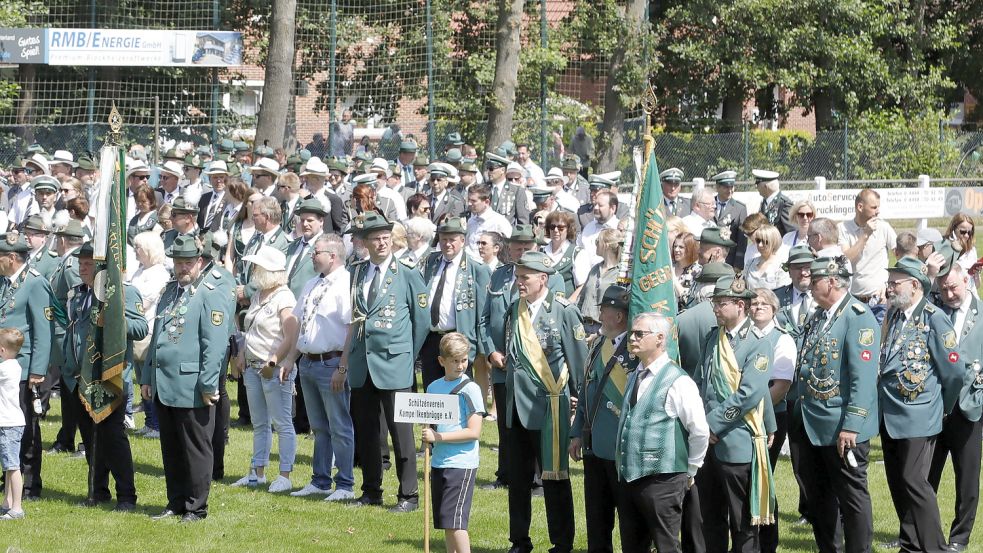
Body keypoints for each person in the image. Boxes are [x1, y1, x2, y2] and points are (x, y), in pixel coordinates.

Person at [140, 235, 235, 522]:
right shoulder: (170, 291)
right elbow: (156, 338)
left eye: (187, 263)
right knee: (171, 448)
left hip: (192, 384)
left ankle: (196, 506)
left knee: (195, 447)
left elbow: (215, 344)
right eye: (178, 262)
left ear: (200, 262)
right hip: (165, 382)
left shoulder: (209, 292)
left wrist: (208, 383)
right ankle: (176, 501)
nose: (182, 268)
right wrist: (147, 376)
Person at [790, 255, 879, 553]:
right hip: (811, 421)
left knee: (852, 497)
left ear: (831, 282)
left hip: (841, 427)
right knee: (818, 497)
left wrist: (852, 425)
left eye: (814, 280)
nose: (809, 285)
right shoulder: (819, 315)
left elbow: (863, 378)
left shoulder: (858, 316)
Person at [504, 251, 587, 553]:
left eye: (524, 277)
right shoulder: (514, 309)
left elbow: (579, 365)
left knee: (554, 479)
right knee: (517, 480)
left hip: (549, 407)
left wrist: (581, 414)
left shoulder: (564, 311)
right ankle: (519, 540)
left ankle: (562, 542)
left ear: (543, 278)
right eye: (518, 276)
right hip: (517, 409)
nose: (519, 282)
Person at [346, 212, 429, 512]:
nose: (381, 243)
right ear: (365, 242)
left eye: (385, 238)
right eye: (375, 239)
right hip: (362, 364)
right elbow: (355, 317)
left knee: (401, 433)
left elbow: (422, 322)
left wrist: (406, 353)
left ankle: (409, 494)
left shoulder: (407, 272)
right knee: (368, 432)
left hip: (395, 363)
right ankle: (371, 490)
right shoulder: (357, 272)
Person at [880, 256, 963, 553]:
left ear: (914, 285)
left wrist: (941, 406)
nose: (889, 288)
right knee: (898, 483)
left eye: (895, 282)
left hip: (920, 414)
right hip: (889, 413)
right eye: (889, 282)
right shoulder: (894, 317)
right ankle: (911, 544)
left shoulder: (934, 318)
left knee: (914, 481)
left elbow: (954, 372)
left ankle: (935, 547)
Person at [694, 275, 775, 553]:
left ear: (740, 305)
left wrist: (712, 425)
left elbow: (749, 393)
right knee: (710, 519)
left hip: (736, 442)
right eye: (714, 301)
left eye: (720, 302)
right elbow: (699, 384)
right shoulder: (710, 338)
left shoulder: (757, 343)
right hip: (707, 443)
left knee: (742, 523)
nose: (715, 308)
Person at [617, 311, 710, 553]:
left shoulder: (679, 381)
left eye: (639, 334)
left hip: (664, 480)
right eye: (631, 333)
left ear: (660, 339)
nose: (633, 338)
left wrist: (691, 468)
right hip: (630, 477)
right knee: (632, 546)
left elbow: (699, 430)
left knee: (666, 545)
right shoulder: (634, 375)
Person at [67, 243, 148, 512]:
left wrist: (115, 313)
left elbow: (140, 328)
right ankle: (97, 490)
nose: (83, 267)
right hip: (80, 376)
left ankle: (126, 495)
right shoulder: (78, 294)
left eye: (88, 263)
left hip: (110, 377)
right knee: (90, 437)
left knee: (113, 438)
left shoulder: (123, 292)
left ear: (102, 265)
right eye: (80, 263)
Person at [569, 285, 637, 552]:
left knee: (630, 523)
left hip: (622, 450)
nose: (600, 317)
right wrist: (576, 432)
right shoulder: (598, 346)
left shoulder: (635, 352)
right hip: (595, 446)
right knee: (597, 522)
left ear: (619, 316)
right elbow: (587, 391)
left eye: (604, 311)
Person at [289, 233, 356, 501]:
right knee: (319, 426)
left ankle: (345, 485)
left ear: (332, 255)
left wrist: (342, 367)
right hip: (309, 361)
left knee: (339, 425)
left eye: (316, 252)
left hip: (331, 361)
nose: (311, 256)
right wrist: (290, 359)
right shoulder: (312, 283)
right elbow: (301, 324)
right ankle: (320, 480)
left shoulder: (345, 284)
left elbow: (352, 328)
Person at [232, 246, 299, 493]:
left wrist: (273, 362)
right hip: (252, 366)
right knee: (260, 423)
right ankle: (257, 471)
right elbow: (249, 330)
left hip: (273, 369)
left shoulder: (285, 297)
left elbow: (291, 335)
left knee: (282, 423)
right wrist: (241, 355)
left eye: (259, 267)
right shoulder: (260, 294)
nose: (255, 271)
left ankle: (285, 474)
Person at [930, 257, 983, 552]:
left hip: (969, 406)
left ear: (966, 280)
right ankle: (919, 532)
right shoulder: (934, 311)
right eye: (944, 289)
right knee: (924, 477)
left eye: (953, 287)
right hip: (935, 406)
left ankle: (959, 539)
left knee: (967, 480)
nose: (949, 295)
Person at [0, 232, 57, 500]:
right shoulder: (6, 283)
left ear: (12, 258)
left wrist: (37, 370)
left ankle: (30, 482)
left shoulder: (35, 283)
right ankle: (10, 477)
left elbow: (43, 329)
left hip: (23, 370)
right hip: (5, 369)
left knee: (26, 428)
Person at [422, 332, 485, 553]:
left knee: (456, 522)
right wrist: (428, 430)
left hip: (461, 463)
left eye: (464, 360)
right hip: (439, 461)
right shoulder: (433, 388)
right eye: (455, 361)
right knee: (446, 523)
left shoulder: (471, 389)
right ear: (441, 361)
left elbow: (474, 431)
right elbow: (431, 422)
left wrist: (438, 437)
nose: (460, 366)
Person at [749, 287, 796, 553]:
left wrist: (757, 412)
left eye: (763, 303)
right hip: (744, 417)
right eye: (753, 303)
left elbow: (781, 385)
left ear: (774, 309)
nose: (757, 307)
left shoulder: (782, 339)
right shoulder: (743, 336)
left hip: (770, 418)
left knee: (764, 477)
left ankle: (767, 542)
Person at [128, 232, 170, 438]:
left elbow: (143, 303)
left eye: (139, 247)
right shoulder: (139, 271)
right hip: (137, 330)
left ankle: (156, 423)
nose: (136, 251)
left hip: (149, 329)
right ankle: (149, 420)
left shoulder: (159, 273)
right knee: (140, 378)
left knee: (150, 378)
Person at [838, 189, 896, 322]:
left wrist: (889, 284)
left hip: (878, 302)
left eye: (878, 207)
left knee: (879, 341)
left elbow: (901, 256)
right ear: (860, 207)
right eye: (874, 207)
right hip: (851, 301)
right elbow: (845, 260)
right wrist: (865, 235)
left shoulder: (884, 227)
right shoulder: (843, 228)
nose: (878, 211)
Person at [575, 228, 623, 335]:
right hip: (583, 326)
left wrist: (601, 333)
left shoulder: (620, 274)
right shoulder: (595, 269)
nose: (595, 244)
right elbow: (581, 299)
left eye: (597, 241)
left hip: (604, 329)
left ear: (605, 245)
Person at [0, 327, 25, 520]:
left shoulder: (5, 369)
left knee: (13, 467)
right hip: (11, 422)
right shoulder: (15, 365)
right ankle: (7, 503)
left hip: (8, 424)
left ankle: (17, 508)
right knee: (8, 466)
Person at [542, 211, 582, 297]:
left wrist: (568, 305)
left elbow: (582, 286)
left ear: (569, 229)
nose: (556, 230)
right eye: (552, 227)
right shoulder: (541, 252)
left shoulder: (577, 253)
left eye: (560, 228)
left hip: (565, 306)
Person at [465, 185, 512, 258]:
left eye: (474, 201)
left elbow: (506, 249)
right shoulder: (471, 221)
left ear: (486, 202)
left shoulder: (499, 222)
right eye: (469, 200)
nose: (469, 204)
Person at [485, 152, 530, 225]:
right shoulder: (482, 189)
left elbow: (523, 222)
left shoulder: (516, 191)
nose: (488, 172)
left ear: (502, 170)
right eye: (488, 168)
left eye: (491, 168)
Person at [744, 224, 791, 291]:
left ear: (774, 242)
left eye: (764, 241)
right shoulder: (750, 263)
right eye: (758, 240)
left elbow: (783, 293)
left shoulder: (781, 266)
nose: (760, 245)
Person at [754, 170, 792, 236]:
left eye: (757, 184)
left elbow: (791, 232)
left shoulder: (784, 204)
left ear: (766, 187)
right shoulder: (764, 202)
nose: (756, 187)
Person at [672, 232, 700, 309]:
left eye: (681, 247)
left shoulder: (698, 272)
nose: (676, 250)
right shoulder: (669, 265)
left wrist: (673, 279)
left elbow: (688, 301)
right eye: (675, 246)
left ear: (690, 249)